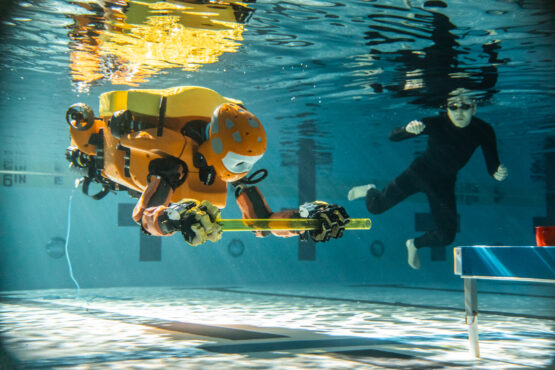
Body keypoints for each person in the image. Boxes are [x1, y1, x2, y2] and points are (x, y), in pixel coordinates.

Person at [65, 86, 349, 247]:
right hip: (116, 169)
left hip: (158, 180)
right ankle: (82, 158)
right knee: (89, 155)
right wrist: (171, 217)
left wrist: (303, 221)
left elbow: (261, 222)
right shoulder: (173, 163)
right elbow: (143, 218)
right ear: (216, 150)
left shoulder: (231, 165)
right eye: (239, 162)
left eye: (250, 163)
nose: (242, 171)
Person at [348, 88, 508, 270]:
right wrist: (407, 130)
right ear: (446, 108)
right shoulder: (436, 123)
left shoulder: (484, 130)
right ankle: (369, 189)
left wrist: (496, 171)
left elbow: (492, 162)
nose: (459, 112)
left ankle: (414, 245)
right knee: (375, 207)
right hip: (419, 173)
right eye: (453, 107)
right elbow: (393, 136)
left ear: (474, 108)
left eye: (464, 106)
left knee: (446, 236)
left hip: (444, 183)